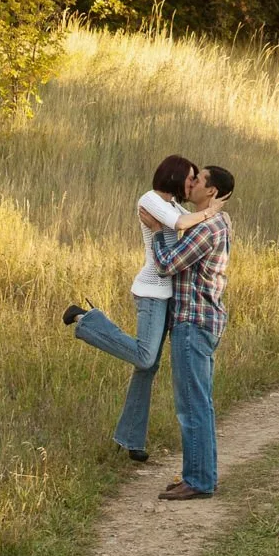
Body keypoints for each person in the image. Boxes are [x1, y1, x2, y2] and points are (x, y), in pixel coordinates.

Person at [62, 154, 197, 462]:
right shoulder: (150, 200)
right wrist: (213, 211)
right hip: (151, 291)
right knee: (145, 356)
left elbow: (185, 225)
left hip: (167, 294)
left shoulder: (173, 206)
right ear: (175, 176)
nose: (192, 184)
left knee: (148, 368)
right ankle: (86, 319)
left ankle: (131, 439)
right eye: (190, 178)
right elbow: (180, 225)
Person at [147, 163, 233, 501]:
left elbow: (167, 265)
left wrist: (156, 232)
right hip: (204, 321)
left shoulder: (207, 229)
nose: (192, 183)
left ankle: (197, 480)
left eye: (199, 180)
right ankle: (202, 476)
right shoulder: (218, 221)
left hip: (193, 322)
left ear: (211, 191)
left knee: (192, 405)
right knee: (201, 402)